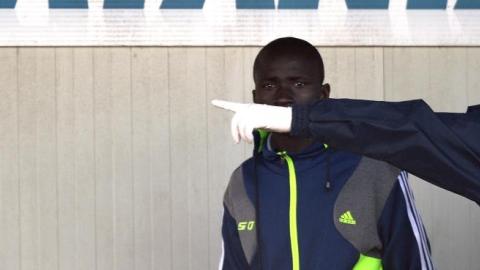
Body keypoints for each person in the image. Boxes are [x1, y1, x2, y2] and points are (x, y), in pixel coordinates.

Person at [218, 37, 434, 270]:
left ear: (323, 94)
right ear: (255, 98)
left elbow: (415, 263)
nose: (283, 96)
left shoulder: (375, 169)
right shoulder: (242, 180)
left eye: (298, 84)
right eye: (269, 85)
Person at [212, 86, 480, 207]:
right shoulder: (244, 180)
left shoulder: (371, 178)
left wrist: (299, 118)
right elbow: (409, 129)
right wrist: (296, 118)